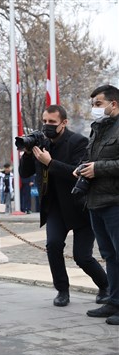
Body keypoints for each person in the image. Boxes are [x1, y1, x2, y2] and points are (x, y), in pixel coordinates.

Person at [19, 104, 108, 308]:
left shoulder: (78, 142)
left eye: (52, 122)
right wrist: (28, 153)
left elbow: (77, 172)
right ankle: (62, 290)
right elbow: (24, 173)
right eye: (44, 121)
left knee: (82, 256)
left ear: (64, 123)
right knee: (53, 246)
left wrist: (50, 163)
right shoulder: (41, 143)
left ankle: (105, 286)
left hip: (80, 206)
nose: (47, 126)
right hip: (55, 207)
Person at [77, 84, 119, 325]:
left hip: (115, 201)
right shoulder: (98, 128)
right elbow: (91, 158)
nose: (94, 109)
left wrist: (98, 168)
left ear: (113, 104)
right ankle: (113, 301)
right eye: (93, 105)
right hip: (96, 201)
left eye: (98, 104)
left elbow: (104, 164)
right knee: (109, 255)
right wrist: (82, 167)